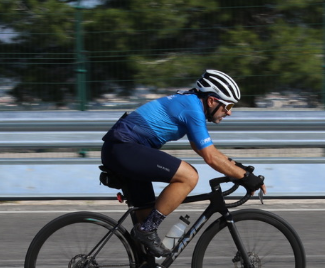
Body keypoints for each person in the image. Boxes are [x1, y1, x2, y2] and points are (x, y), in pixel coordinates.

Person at [101, 69, 267, 256]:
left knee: (146, 233)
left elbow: (203, 149)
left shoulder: (190, 102)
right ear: (211, 101)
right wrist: (246, 177)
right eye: (227, 106)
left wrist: (239, 170)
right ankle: (147, 230)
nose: (229, 112)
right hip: (124, 148)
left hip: (124, 150)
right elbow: (211, 157)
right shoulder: (192, 109)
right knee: (188, 176)